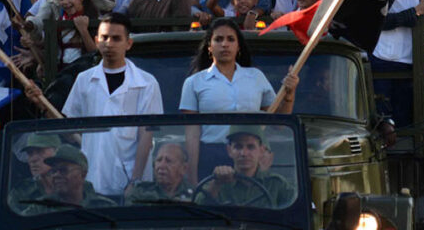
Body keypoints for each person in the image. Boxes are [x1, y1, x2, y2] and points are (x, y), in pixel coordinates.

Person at [179, 19, 299, 181]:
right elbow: (192, 133)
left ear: (238, 46)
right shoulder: (194, 82)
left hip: (251, 155)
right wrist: (192, 176)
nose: (225, 44)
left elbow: (278, 124)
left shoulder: (256, 76)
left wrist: (289, 95)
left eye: (230, 39)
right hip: (212, 156)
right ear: (209, 47)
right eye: (218, 39)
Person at [62, 13, 164, 195]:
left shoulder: (147, 83)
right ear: (96, 40)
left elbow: (146, 136)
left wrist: (136, 180)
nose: (109, 44)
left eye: (116, 38)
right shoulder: (84, 80)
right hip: (90, 179)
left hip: (130, 181)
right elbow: (71, 126)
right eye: (104, 38)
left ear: (128, 43)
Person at [196, 126, 295, 207]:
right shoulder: (219, 184)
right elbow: (198, 212)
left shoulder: (275, 184)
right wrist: (216, 184)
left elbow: (296, 211)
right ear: (229, 150)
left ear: (261, 150)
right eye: (238, 147)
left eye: (250, 147)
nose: (244, 153)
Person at [43, 145, 117, 207]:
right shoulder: (41, 208)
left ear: (83, 174)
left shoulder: (104, 206)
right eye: (53, 171)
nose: (56, 175)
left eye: (63, 170)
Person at [8, 132, 62, 212]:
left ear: (57, 152)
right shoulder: (20, 193)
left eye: (40, 151)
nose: (33, 159)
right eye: (30, 153)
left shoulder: (75, 185)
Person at [54, 0, 100, 67]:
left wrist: (83, 31)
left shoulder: (93, 20)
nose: (65, 2)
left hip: (84, 72)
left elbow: (96, 55)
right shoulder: (59, 21)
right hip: (64, 74)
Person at [125, 142, 194, 203]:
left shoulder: (195, 196)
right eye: (159, 160)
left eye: (168, 161)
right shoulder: (139, 193)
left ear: (183, 168)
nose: (161, 165)